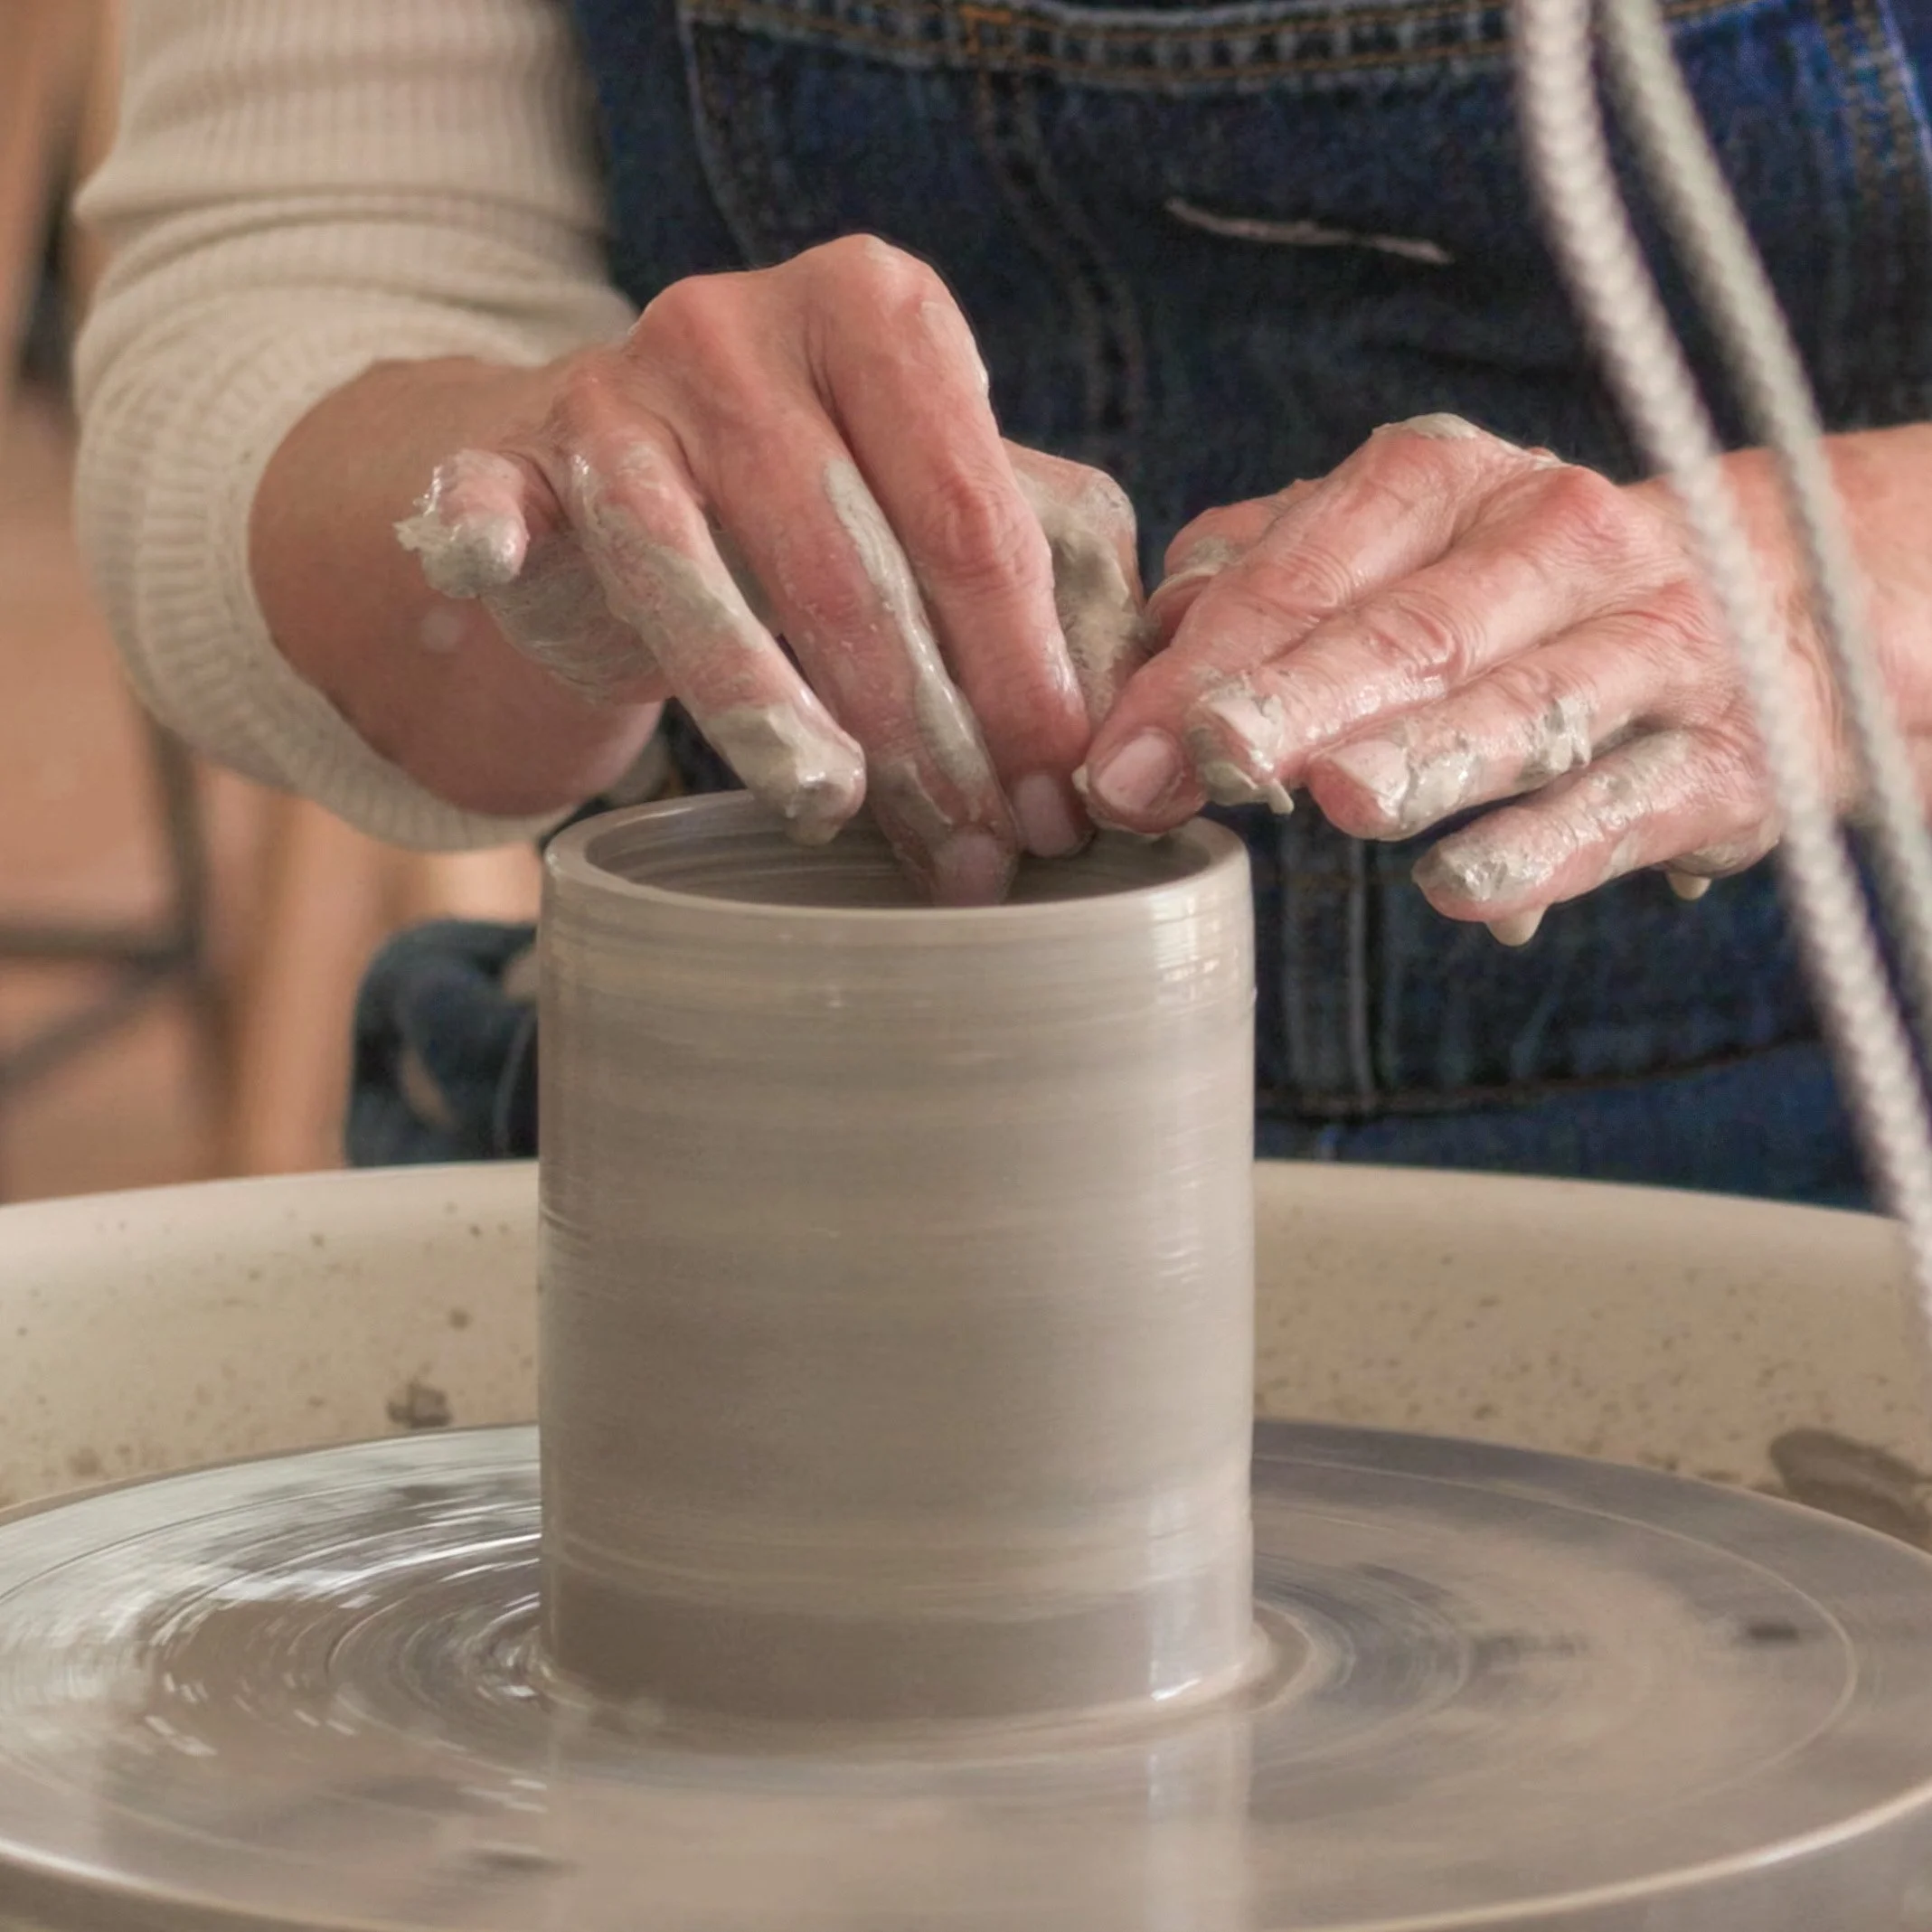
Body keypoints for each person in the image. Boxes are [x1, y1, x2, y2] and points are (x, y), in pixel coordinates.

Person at [71, 1, 1932, 1204]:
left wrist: (1818, 584)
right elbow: (278, 301)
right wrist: (548, 490)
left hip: (1831, 1128)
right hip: (768, 1161)